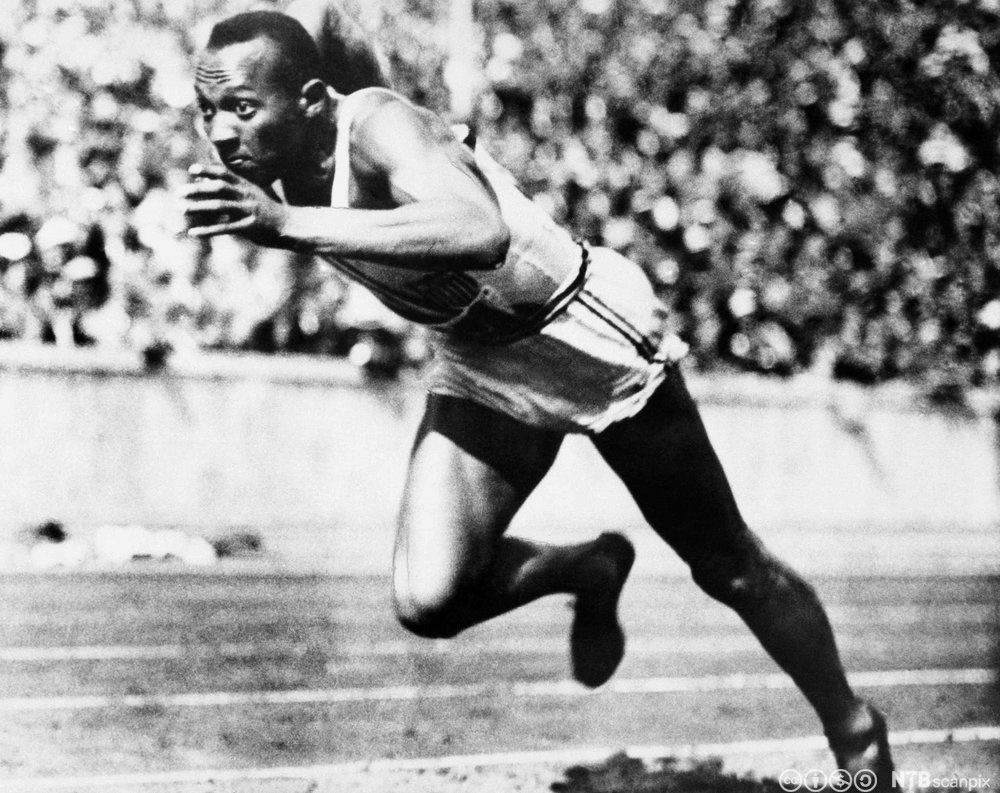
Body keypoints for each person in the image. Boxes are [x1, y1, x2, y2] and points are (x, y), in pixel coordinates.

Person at [181, 10, 894, 787]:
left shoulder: (381, 127)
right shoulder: (276, 156)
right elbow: (328, 32)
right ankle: (586, 568)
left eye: (241, 108)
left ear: (313, 99)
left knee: (727, 566)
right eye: (207, 109)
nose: (220, 132)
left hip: (582, 335)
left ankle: (852, 724)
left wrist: (289, 224)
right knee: (429, 598)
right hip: (481, 360)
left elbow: (478, 230)